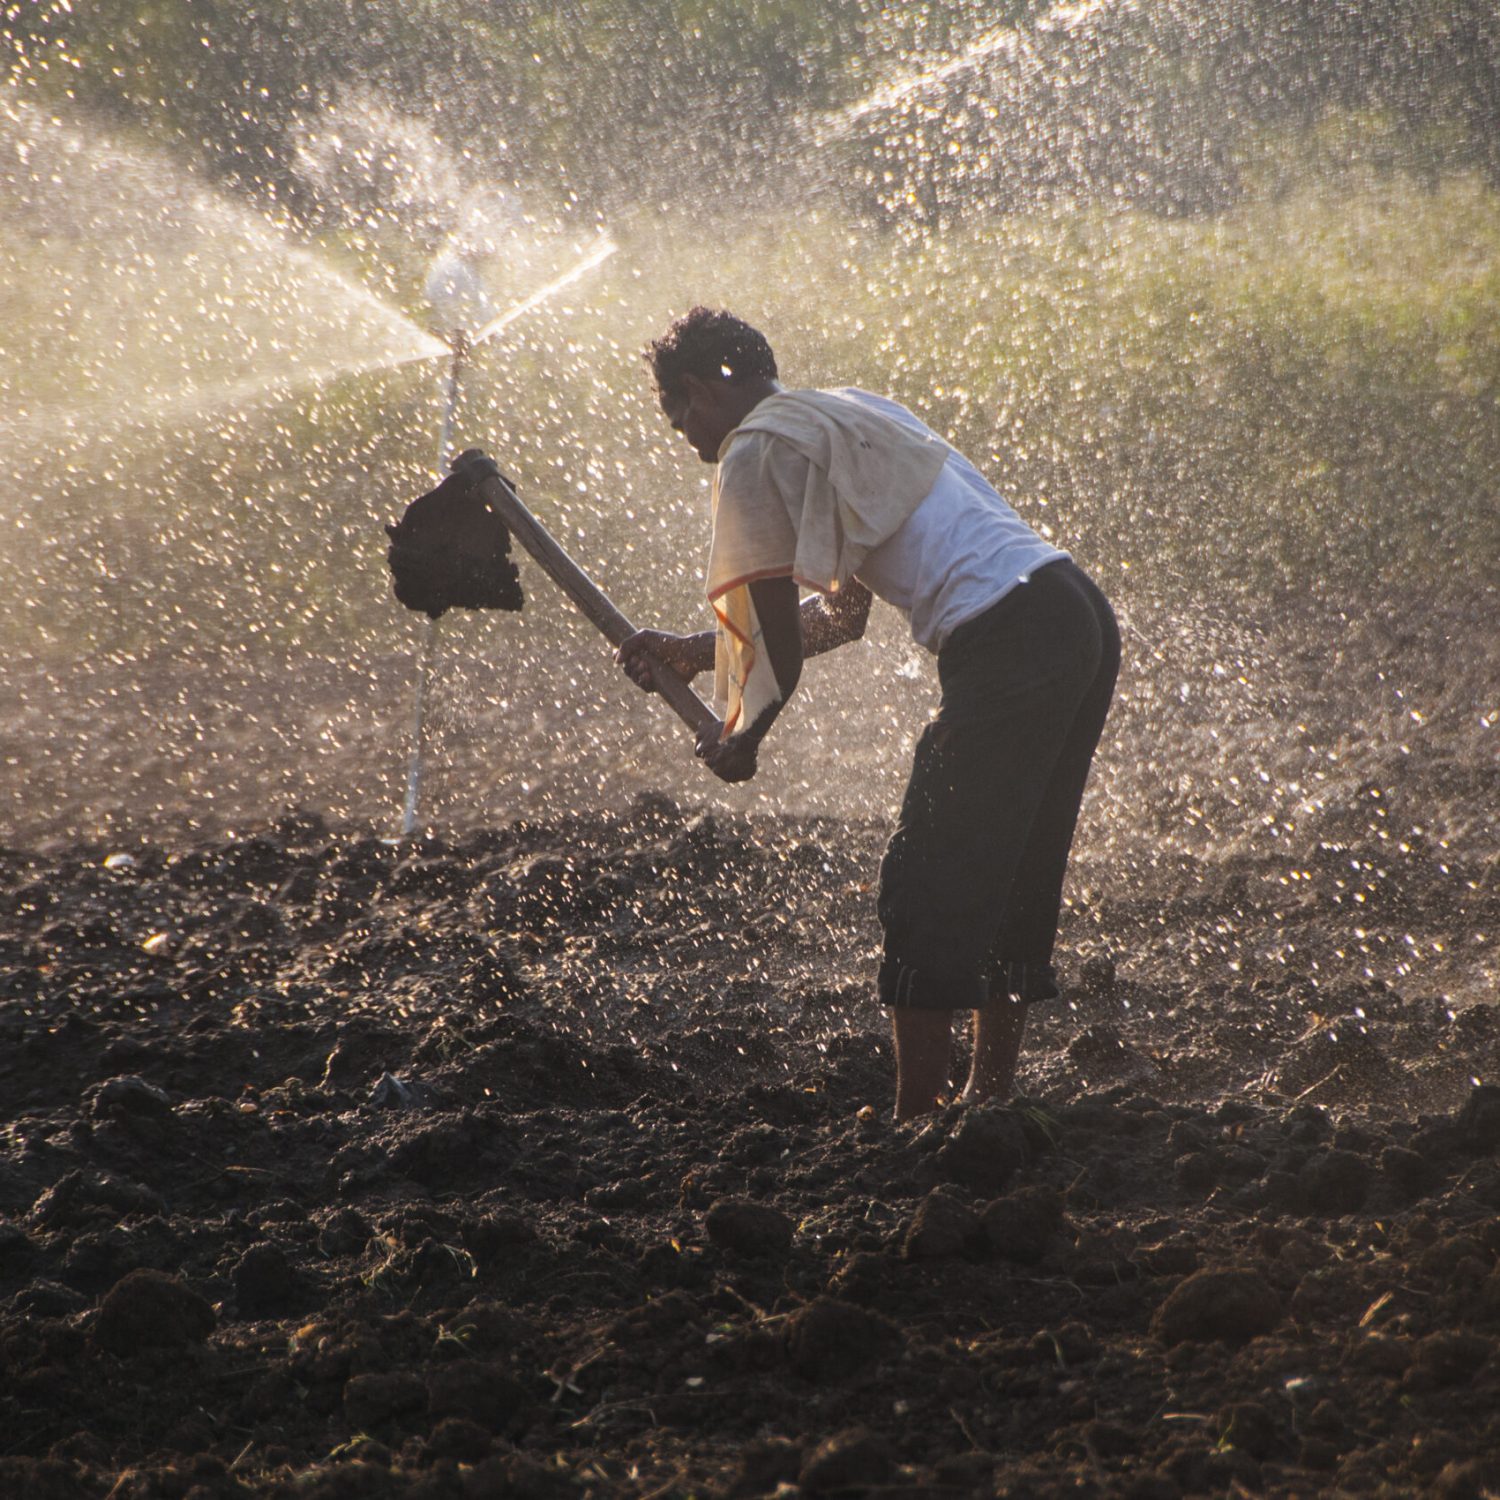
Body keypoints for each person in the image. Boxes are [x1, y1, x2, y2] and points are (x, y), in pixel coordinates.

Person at [617, 307, 1119, 1119]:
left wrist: (742, 737)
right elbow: (840, 620)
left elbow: (774, 638)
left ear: (703, 388)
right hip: (1072, 612)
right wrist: (694, 651)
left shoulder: (753, 447)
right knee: (1014, 860)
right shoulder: (848, 410)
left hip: (1010, 639)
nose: (681, 433)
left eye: (677, 410)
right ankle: (987, 1097)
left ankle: (917, 1115)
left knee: (929, 872)